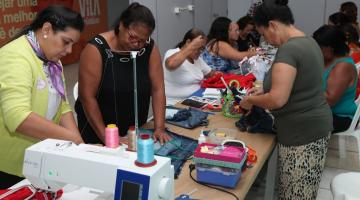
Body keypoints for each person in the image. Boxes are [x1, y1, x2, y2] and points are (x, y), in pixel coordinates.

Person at [239, 0, 332, 199]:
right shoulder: (309, 41)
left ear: (273, 25)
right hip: (314, 127)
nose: (267, 40)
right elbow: (298, 86)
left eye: (264, 34)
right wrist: (261, 95)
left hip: (302, 134)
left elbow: (278, 99)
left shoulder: (289, 50)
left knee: (295, 194)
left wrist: (251, 101)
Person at [0, 5, 84, 189]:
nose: (69, 50)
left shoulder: (53, 61)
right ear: (46, 30)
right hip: (9, 167)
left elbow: (63, 106)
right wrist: (71, 139)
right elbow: (18, 116)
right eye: (66, 42)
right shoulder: (15, 56)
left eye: (73, 44)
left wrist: (80, 148)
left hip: (40, 158)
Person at [75, 3, 171, 145]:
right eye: (133, 37)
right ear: (121, 25)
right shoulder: (96, 50)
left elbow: (157, 89)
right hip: (98, 136)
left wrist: (159, 128)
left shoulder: (149, 49)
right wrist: (109, 139)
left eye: (142, 41)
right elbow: (87, 97)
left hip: (134, 133)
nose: (137, 44)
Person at [313, 25, 358, 133]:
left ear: (330, 48)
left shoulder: (343, 66)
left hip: (340, 117)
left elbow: (329, 100)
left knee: (293, 121)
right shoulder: (328, 60)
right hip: (324, 112)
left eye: (319, 47)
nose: (316, 50)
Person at [163, 28, 219, 104]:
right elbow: (170, 64)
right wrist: (191, 46)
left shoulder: (197, 60)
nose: (200, 52)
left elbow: (210, 73)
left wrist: (218, 75)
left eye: (202, 49)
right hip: (175, 104)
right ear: (188, 42)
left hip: (196, 100)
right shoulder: (172, 53)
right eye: (197, 48)